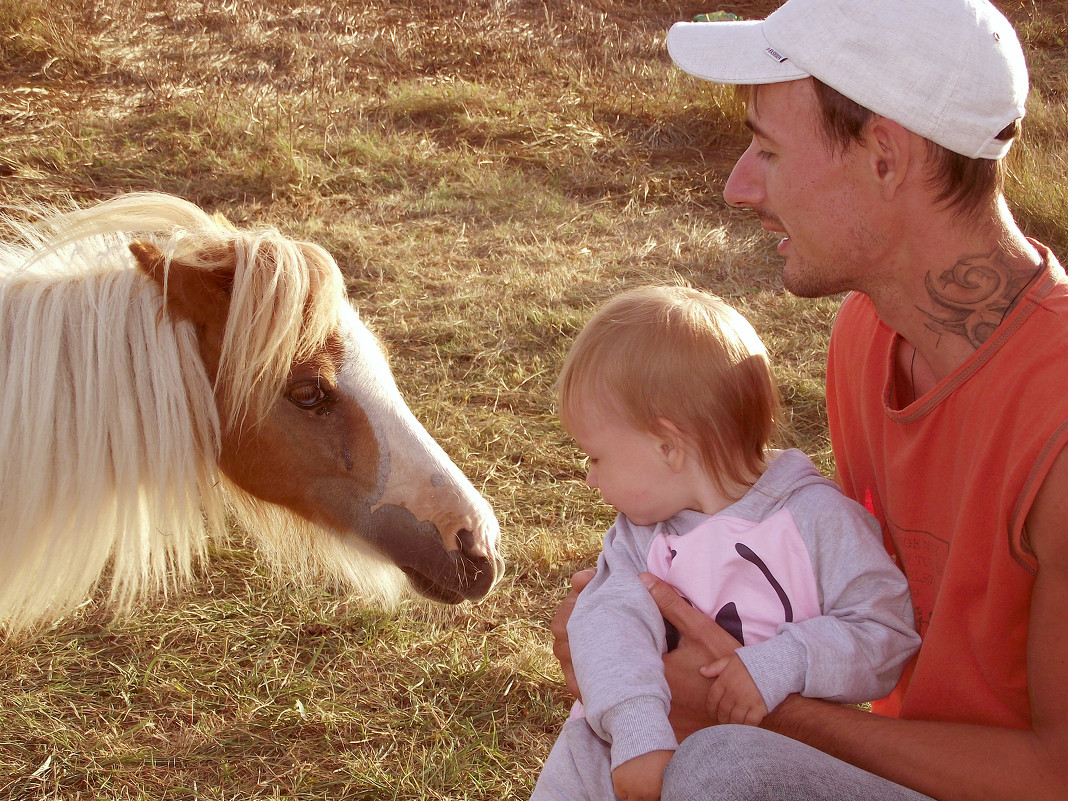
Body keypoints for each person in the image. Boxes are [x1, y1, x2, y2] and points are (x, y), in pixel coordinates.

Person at [550, 1, 1068, 799]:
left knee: (728, 768)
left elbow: (1054, 774)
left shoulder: (1057, 422)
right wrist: (642, 647)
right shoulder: (866, 335)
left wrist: (741, 698)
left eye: (768, 151)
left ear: (886, 156)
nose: (737, 186)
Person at [532, 286, 919, 801]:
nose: (589, 477)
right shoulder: (638, 534)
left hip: (761, 763)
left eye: (596, 456)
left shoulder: (818, 520)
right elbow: (609, 626)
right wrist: (637, 730)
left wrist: (781, 662)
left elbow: (885, 633)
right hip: (610, 751)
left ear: (668, 446)